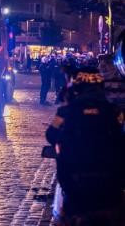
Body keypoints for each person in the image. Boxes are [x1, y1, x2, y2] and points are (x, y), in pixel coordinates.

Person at [46, 68, 125, 225]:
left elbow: (51, 135)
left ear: (77, 90)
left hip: (74, 184)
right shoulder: (116, 113)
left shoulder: (64, 112)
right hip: (110, 186)